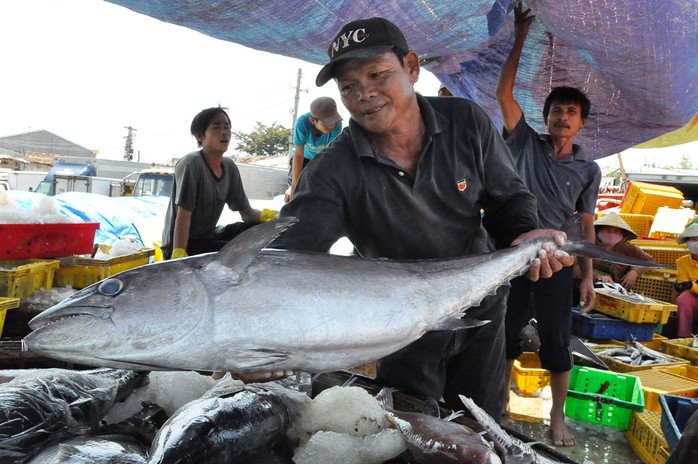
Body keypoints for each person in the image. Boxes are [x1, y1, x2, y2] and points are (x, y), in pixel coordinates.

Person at [273, 16, 573, 420]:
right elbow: (288, 258)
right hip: (401, 326)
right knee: (413, 430)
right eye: (348, 86)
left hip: (481, 307)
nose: (365, 93)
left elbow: (509, 198)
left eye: (377, 74)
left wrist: (523, 234)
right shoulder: (332, 169)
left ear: (411, 68)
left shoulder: (466, 122)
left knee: (481, 424)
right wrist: (269, 337)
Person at [497, 1, 602, 446]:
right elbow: (504, 95)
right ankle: (498, 405)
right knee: (503, 334)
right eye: (556, 110)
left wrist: (589, 275)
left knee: (558, 342)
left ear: (580, 123)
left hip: (557, 260)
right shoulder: (524, 142)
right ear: (547, 115)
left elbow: (586, 225)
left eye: (570, 112)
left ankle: (557, 417)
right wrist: (520, 37)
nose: (562, 116)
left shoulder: (588, 169)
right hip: (511, 251)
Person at [160, 106, 278, 260]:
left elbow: (247, 214)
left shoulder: (229, 167)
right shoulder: (192, 163)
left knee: (261, 232)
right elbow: (183, 218)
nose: (224, 132)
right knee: (239, 253)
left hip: (208, 237)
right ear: (200, 135)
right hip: (184, 245)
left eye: (227, 127)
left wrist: (272, 217)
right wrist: (179, 255)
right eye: (216, 127)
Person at [573, 212, 654, 290]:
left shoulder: (627, 248)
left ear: (622, 235)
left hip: (612, 289)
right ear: (598, 231)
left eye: (616, 231)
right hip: (582, 286)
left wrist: (635, 272)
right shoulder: (588, 244)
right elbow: (573, 267)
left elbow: (649, 261)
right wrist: (597, 276)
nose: (611, 234)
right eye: (607, 230)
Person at [284, 97, 343, 202]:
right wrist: (294, 186)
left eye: (333, 121)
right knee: (294, 193)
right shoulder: (302, 123)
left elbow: (331, 157)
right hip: (303, 159)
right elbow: (298, 155)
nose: (331, 126)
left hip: (321, 160)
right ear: (312, 120)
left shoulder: (337, 126)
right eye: (327, 122)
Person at [674, 221, 698, 337]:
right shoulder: (682, 262)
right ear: (687, 242)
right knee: (683, 299)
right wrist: (686, 286)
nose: (696, 243)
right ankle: (684, 338)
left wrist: (691, 286)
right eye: (693, 240)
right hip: (695, 303)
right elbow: (683, 283)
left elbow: (689, 286)